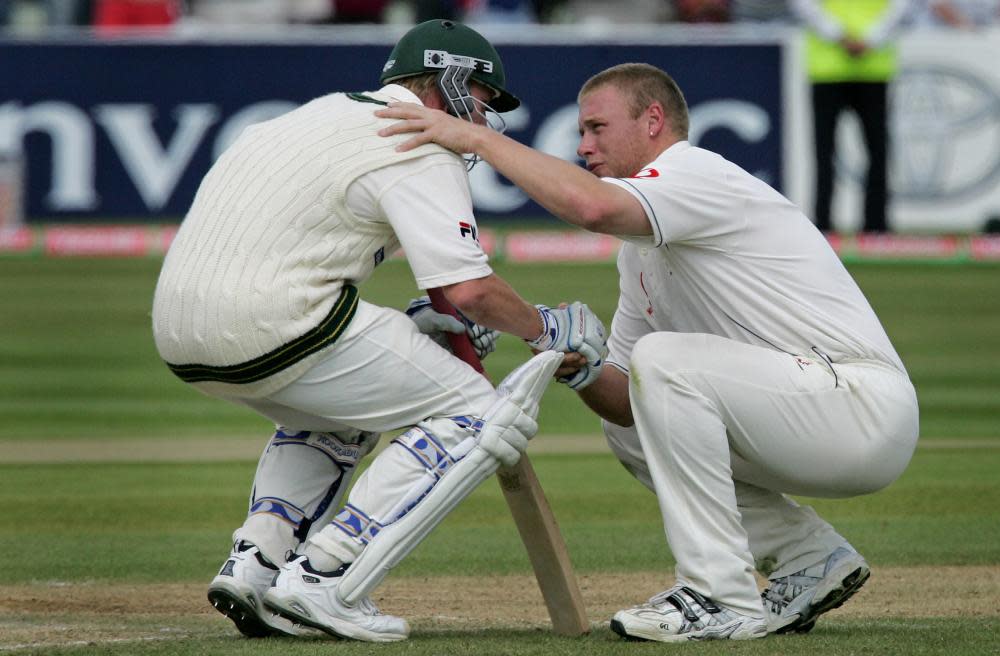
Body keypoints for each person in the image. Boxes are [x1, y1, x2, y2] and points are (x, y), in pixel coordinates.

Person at [376, 62, 919, 642]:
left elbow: (594, 208)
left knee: (662, 362)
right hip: (809, 414)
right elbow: (628, 401)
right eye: (581, 131)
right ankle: (808, 557)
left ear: (653, 120)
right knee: (634, 419)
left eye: (596, 128)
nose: (583, 146)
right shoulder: (637, 253)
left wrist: (475, 135)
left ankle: (718, 594)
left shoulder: (696, 172)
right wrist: (566, 354)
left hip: (860, 407)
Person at [151, 19, 605, 643]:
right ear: (450, 80)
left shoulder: (311, 116)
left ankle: (256, 564)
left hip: (180, 332)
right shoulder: (416, 139)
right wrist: (545, 328)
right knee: (480, 413)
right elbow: (470, 290)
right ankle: (325, 576)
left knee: (339, 410)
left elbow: (318, 252)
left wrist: (425, 317)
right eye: (480, 98)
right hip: (276, 321)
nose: (482, 118)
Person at [789, 0, 916, 233]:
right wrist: (864, 38)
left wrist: (852, 37)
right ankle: (826, 224)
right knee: (828, 153)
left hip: (861, 68)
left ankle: (874, 225)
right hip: (837, 67)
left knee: (876, 152)